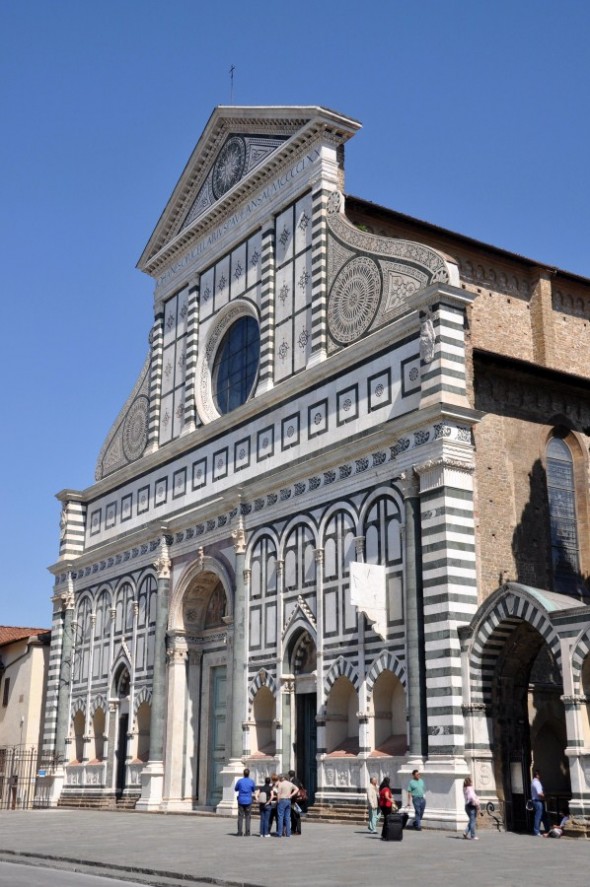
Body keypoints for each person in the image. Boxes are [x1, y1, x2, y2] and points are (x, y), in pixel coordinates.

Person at [275, 773, 299, 837]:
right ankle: (288, 833)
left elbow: (278, 794)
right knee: (287, 817)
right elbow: (297, 789)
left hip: (282, 800)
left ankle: (280, 833)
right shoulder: (290, 783)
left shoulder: (281, 784)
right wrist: (291, 795)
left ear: (282, 778)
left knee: (280, 817)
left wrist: (277, 801)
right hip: (288, 800)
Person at [234, 767, 256, 836]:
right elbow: (253, 789)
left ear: (243, 774)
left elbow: (236, 789)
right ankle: (247, 832)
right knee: (248, 817)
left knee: (240, 817)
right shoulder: (251, 781)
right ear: (249, 774)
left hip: (241, 800)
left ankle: (240, 832)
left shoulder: (240, 781)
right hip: (248, 800)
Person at [531, 769, 551, 837]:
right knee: (538, 816)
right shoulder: (537, 783)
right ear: (537, 775)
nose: (540, 776)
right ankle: (536, 831)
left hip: (536, 800)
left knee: (543, 816)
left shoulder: (533, 782)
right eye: (539, 774)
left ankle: (547, 829)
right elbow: (539, 793)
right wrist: (546, 797)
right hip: (538, 801)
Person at [288, 769, 303, 835]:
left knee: (296, 815)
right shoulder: (294, 780)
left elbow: (296, 790)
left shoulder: (295, 780)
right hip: (293, 801)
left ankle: (298, 830)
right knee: (293, 815)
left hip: (295, 801)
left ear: (289, 775)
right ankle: (293, 829)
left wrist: (291, 795)